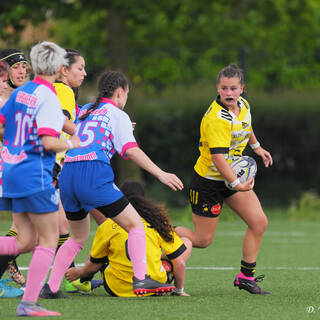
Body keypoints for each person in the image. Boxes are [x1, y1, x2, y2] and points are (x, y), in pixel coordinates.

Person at [40, 70, 184, 299]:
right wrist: (161, 173)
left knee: (77, 237)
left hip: (68, 174)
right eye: (126, 94)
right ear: (120, 92)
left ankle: (52, 286)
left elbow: (89, 131)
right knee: (135, 226)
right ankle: (140, 279)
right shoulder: (118, 115)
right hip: (93, 174)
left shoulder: (86, 109)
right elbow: (130, 150)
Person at [175, 63, 273, 295]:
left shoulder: (243, 105)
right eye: (224, 88)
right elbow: (218, 158)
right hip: (208, 181)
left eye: (233, 88)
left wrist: (257, 147)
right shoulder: (217, 117)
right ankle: (157, 232)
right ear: (218, 89)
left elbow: (245, 126)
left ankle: (245, 276)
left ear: (242, 89)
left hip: (231, 177)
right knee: (202, 240)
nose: (229, 93)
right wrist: (238, 185)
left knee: (259, 222)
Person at [0, 41, 80, 317]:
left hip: (12, 171)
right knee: (49, 238)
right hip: (35, 173)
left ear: (34, 66)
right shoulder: (48, 96)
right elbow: (48, 141)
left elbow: (2, 127)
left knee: (24, 242)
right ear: (59, 68)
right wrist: (73, 144)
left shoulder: (23, 93)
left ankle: (28, 303)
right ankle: (28, 304)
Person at [65, 180, 192, 297]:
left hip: (117, 288)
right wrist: (178, 290)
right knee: (186, 244)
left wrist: (79, 272)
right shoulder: (157, 221)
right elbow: (180, 262)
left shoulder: (108, 225)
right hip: (155, 283)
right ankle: (156, 266)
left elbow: (93, 266)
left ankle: (85, 283)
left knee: (99, 256)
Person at [0, 50, 30, 289]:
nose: (22, 71)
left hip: (19, 167)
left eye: (24, 66)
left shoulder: (25, 94)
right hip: (6, 167)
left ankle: (8, 262)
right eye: (16, 66)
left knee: (23, 227)